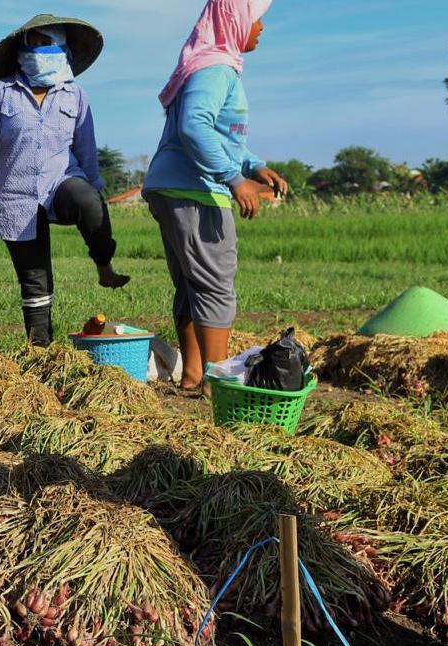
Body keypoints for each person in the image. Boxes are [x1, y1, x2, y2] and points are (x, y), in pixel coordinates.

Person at [142, 0, 287, 390]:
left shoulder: (211, 65)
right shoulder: (215, 69)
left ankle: (192, 375)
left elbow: (222, 135)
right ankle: (215, 383)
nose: (261, 28)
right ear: (236, 21)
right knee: (214, 283)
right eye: (257, 20)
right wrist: (233, 178)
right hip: (195, 190)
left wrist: (254, 166)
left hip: (172, 185)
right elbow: (194, 127)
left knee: (192, 284)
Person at [0, 14, 130, 347]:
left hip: (62, 182)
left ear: (62, 50)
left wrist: (96, 192)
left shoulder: (75, 95)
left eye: (46, 44)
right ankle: (40, 350)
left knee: (89, 202)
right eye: (33, 44)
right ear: (21, 50)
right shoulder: (0, 91)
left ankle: (104, 265)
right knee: (34, 281)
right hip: (18, 195)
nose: (38, 51)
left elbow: (86, 148)